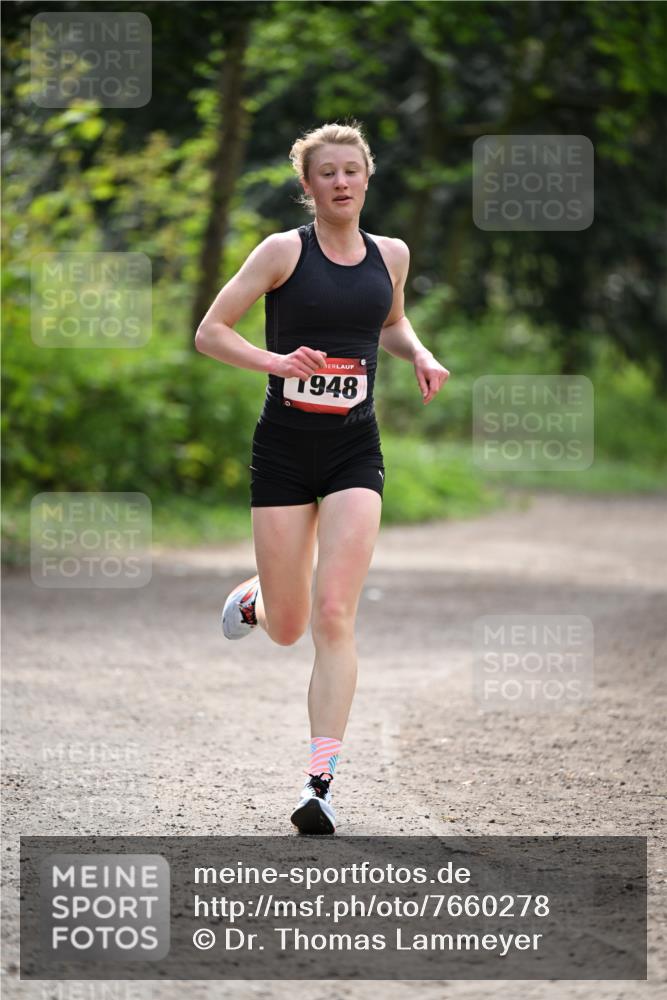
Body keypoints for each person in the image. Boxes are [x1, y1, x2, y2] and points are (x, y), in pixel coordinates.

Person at [195, 121, 449, 835]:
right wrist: (275, 364)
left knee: (335, 613)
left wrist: (420, 354)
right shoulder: (283, 252)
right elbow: (210, 331)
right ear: (307, 187)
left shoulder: (390, 255)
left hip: (352, 452)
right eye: (325, 173)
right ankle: (258, 599)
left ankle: (319, 784)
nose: (340, 182)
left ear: (366, 178)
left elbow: (391, 323)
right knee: (288, 627)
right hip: (280, 449)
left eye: (351, 170)